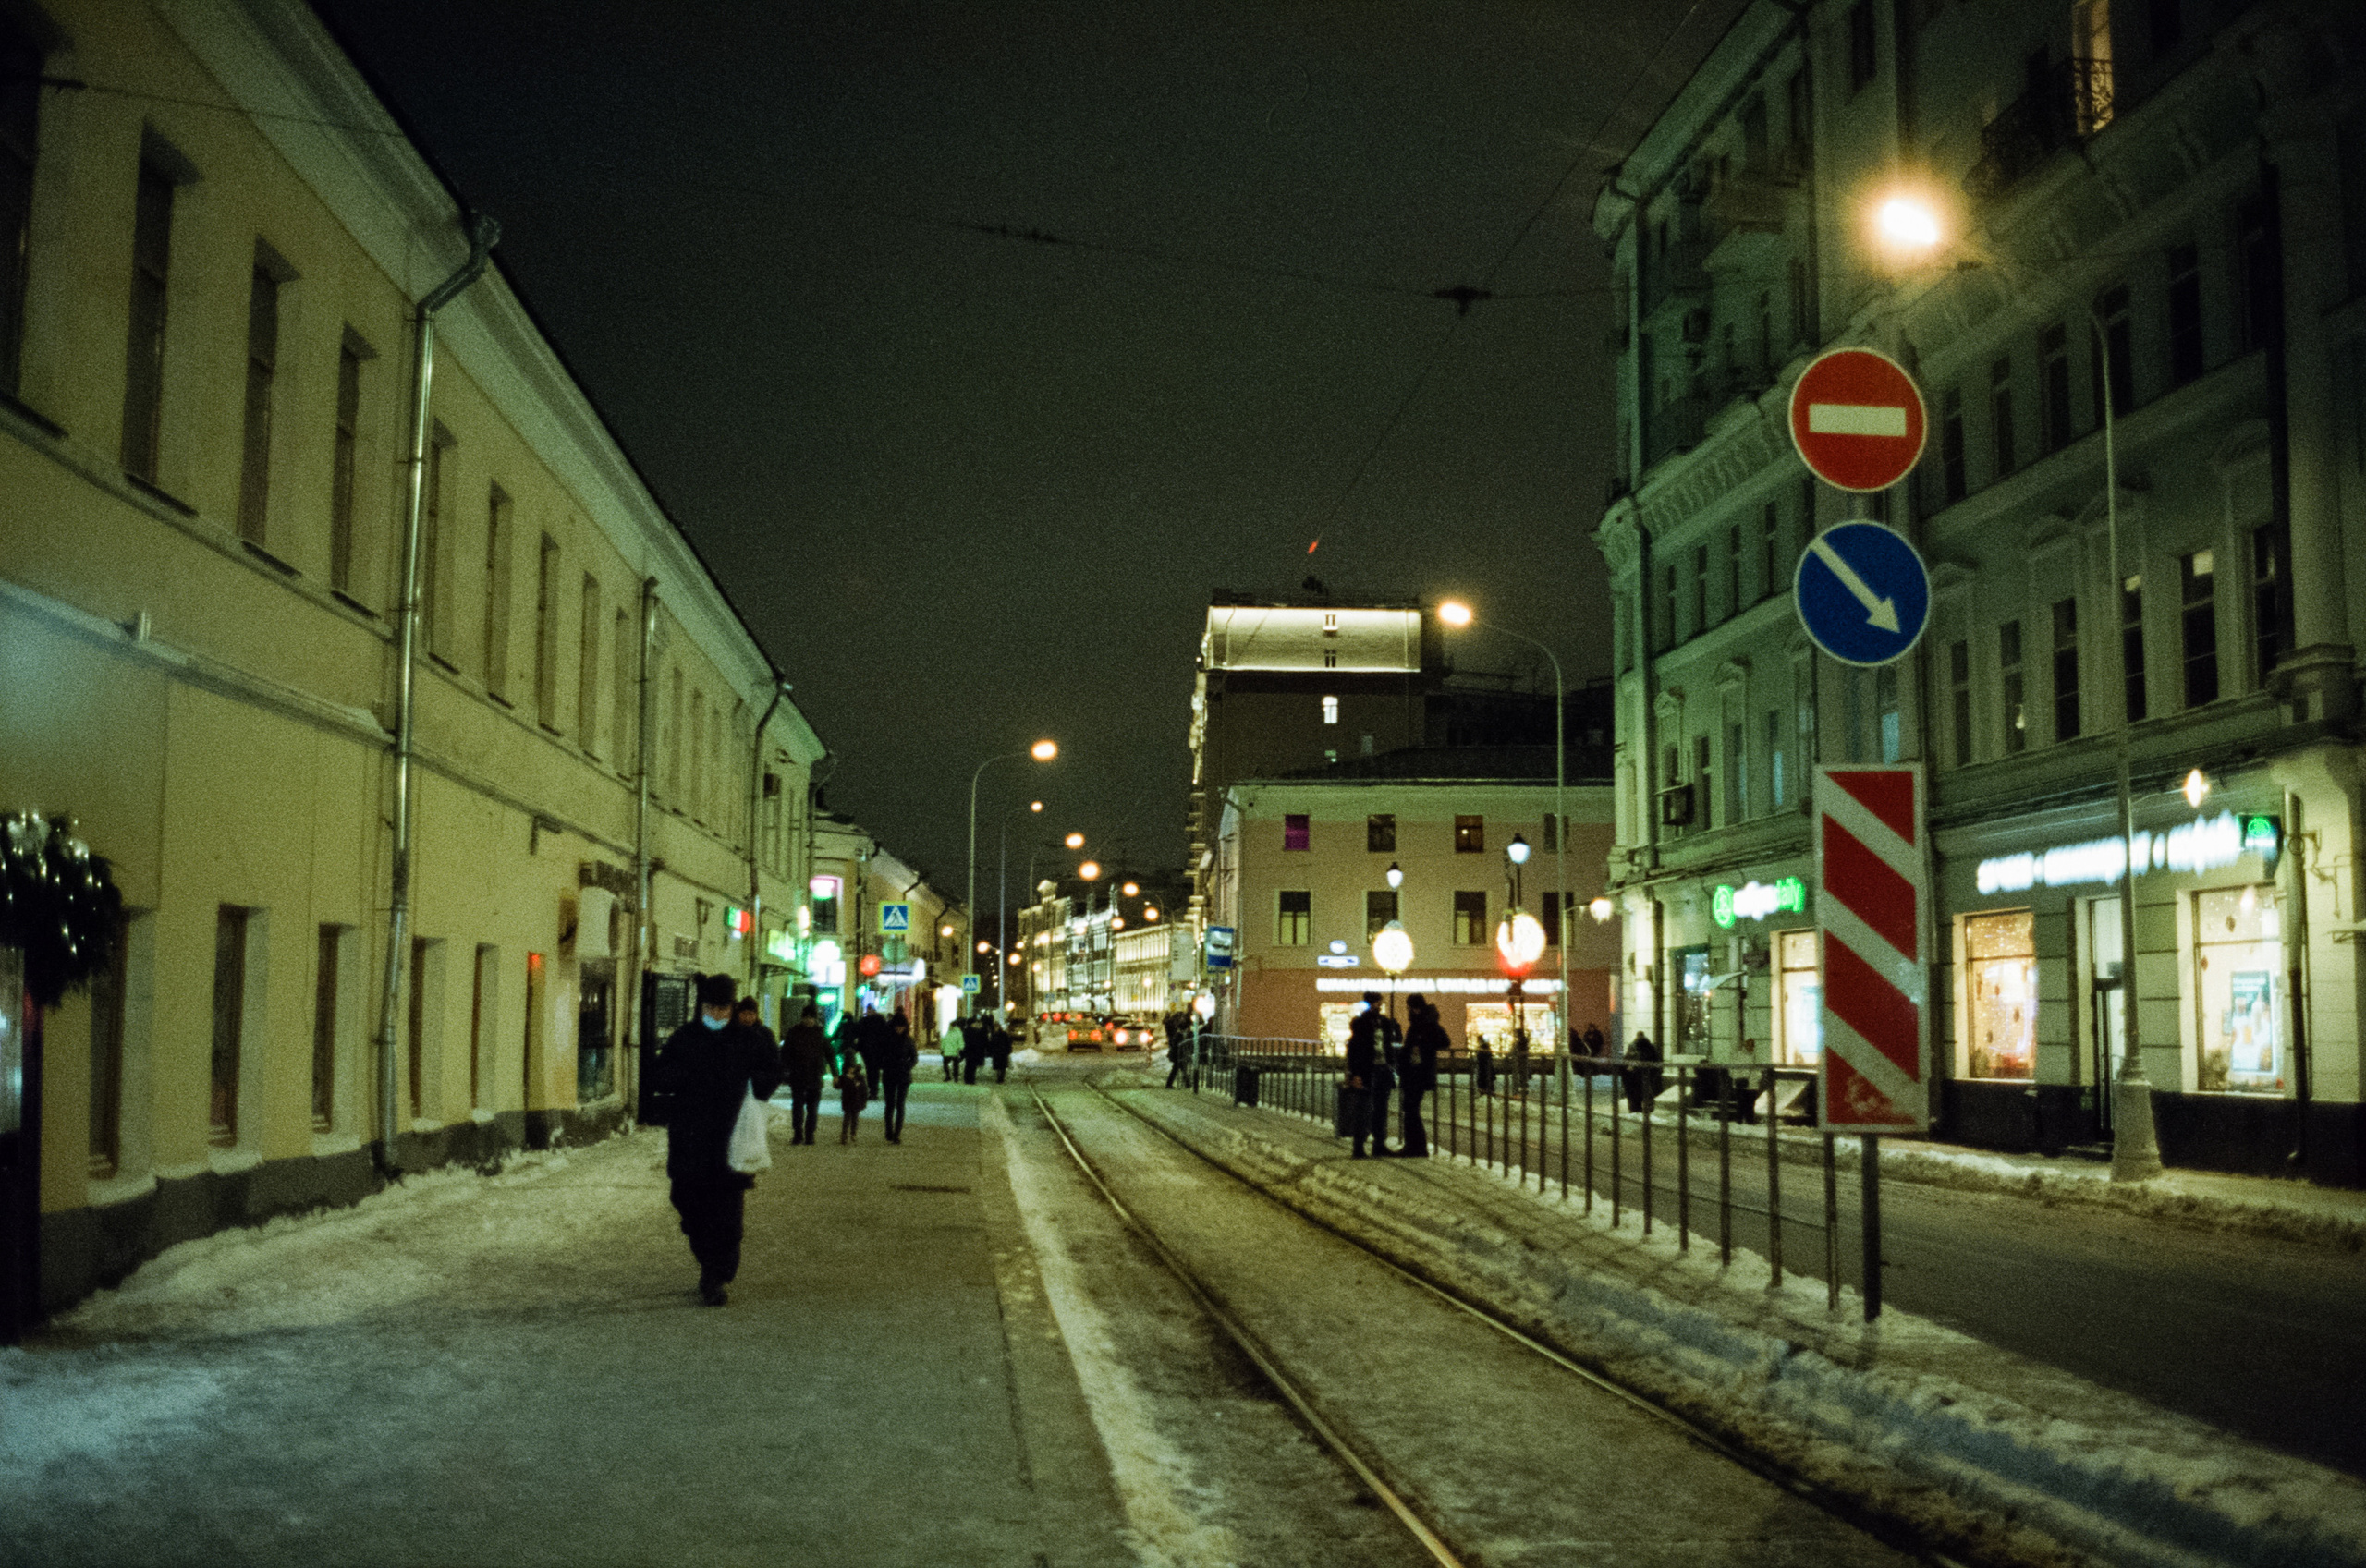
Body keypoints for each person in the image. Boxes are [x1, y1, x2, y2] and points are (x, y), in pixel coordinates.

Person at [649, 972, 782, 1306]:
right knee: (686, 1201)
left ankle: (716, 1275)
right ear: (702, 1006)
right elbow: (660, 1076)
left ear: (732, 1008)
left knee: (726, 1215)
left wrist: (756, 1084)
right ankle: (708, 1259)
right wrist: (682, 1077)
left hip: (731, 1141)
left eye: (723, 1009)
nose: (717, 1014)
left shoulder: (747, 1039)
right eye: (711, 1007)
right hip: (690, 1139)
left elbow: (773, 1071)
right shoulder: (685, 1037)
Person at [1399, 993, 1446, 1158]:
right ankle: (1415, 1146)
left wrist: (1422, 1045)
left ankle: (1415, 1147)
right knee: (1410, 1109)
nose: (1408, 1010)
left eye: (1409, 1007)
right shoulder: (1420, 1022)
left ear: (1415, 1007)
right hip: (1414, 1072)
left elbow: (1444, 1041)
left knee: (1411, 1109)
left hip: (1418, 1072)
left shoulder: (1426, 1023)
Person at [1344, 992, 1390, 1158]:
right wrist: (1355, 1074)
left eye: (1380, 1003)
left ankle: (1379, 1144)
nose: (1379, 1006)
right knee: (1363, 1109)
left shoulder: (1384, 1023)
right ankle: (1359, 1147)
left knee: (1380, 1109)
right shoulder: (1361, 1024)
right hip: (1367, 1071)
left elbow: (1389, 1045)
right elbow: (1355, 1051)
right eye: (1377, 1003)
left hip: (1382, 1069)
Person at [779, 1002, 828, 1146]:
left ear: (815, 1019)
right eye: (806, 1017)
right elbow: (785, 1054)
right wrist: (784, 1071)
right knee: (797, 1106)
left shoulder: (820, 1033)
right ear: (802, 1018)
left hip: (814, 1075)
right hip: (798, 1075)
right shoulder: (794, 1032)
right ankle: (798, 1133)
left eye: (811, 1018)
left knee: (812, 1108)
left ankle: (810, 1134)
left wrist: (835, 1072)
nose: (809, 1020)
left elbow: (829, 1052)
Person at [881, 1010, 919, 1142]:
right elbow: (879, 1055)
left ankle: (897, 1133)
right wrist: (884, 1065)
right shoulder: (886, 1039)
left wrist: (907, 1066)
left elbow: (914, 1057)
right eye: (897, 1027)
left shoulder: (908, 1040)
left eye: (901, 1027)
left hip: (903, 1075)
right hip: (889, 1074)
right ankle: (888, 1130)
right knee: (890, 1104)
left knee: (900, 1104)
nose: (899, 1029)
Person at [853, 1005, 894, 1095]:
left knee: (871, 1070)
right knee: (874, 1070)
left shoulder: (865, 1021)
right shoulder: (880, 1021)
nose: (868, 1011)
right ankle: (873, 1089)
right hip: (875, 1050)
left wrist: (858, 1048)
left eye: (869, 1010)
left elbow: (859, 1034)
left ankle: (873, 1089)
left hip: (870, 1050)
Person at [1623, 1030, 1665, 1114]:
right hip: (1646, 1075)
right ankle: (1646, 1110)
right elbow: (1657, 1061)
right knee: (1646, 1092)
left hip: (1634, 1076)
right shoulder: (1650, 1047)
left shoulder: (1632, 1046)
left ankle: (1635, 1111)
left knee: (1634, 1097)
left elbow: (1625, 1062)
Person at [836, 1050, 871, 1142]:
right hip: (849, 1100)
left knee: (854, 1119)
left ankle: (852, 1133)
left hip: (855, 1100)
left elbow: (864, 1090)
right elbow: (839, 1086)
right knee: (848, 1118)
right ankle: (845, 1134)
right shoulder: (845, 1077)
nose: (850, 1070)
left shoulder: (859, 1077)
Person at [1163, 1009, 1191, 1088]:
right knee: (1178, 1069)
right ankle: (1185, 1083)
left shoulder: (1178, 1035)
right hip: (1178, 1056)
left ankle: (1186, 1083)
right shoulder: (1179, 1036)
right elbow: (1176, 1046)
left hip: (1178, 1056)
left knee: (1179, 1069)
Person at [960, 1015, 987, 1084]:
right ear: (972, 1024)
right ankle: (971, 1079)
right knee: (972, 1066)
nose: (975, 1024)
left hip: (968, 1051)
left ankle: (967, 1079)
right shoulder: (972, 1031)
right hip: (973, 1051)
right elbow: (976, 1041)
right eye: (974, 1023)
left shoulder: (966, 1031)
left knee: (968, 1065)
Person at [988, 1015, 1013, 1083]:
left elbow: (1008, 1042)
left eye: (997, 1027)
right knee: (999, 1067)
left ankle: (1001, 1078)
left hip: (1002, 1052)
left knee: (1002, 1067)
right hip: (997, 1053)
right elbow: (991, 1044)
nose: (996, 1028)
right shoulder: (995, 1035)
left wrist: (1008, 1049)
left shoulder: (1002, 1034)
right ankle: (999, 1078)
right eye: (995, 1027)